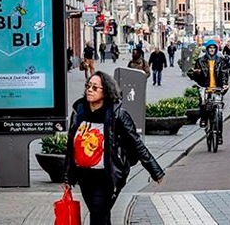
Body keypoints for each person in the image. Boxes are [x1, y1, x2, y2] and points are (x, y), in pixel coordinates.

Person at [62, 72, 164, 224]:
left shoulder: (117, 115)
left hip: (108, 176)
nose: (90, 90)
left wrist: (155, 170)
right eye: (88, 86)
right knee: (99, 215)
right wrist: (67, 177)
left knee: (98, 213)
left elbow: (137, 144)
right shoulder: (79, 111)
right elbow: (71, 147)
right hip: (84, 176)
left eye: (95, 87)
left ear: (106, 91)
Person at [187, 40, 230, 138]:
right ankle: (203, 120)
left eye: (214, 48)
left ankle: (219, 134)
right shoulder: (200, 61)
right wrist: (195, 73)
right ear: (207, 49)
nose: (212, 50)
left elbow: (224, 74)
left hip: (217, 87)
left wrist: (224, 84)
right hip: (204, 87)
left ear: (216, 49)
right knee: (203, 103)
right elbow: (192, 75)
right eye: (210, 48)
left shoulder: (221, 61)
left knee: (218, 110)